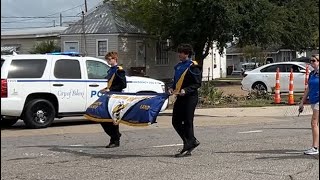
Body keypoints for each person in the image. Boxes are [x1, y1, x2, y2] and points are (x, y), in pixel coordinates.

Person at [168, 43, 202, 157]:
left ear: (186, 54)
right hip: (180, 97)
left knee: (187, 121)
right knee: (175, 121)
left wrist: (186, 90)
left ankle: (188, 145)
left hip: (190, 97)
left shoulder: (193, 66)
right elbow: (175, 81)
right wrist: (171, 88)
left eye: (181, 52)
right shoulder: (178, 66)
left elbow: (197, 83)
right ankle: (191, 141)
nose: (179, 54)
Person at [100, 51, 127, 148]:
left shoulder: (119, 70)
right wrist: (107, 89)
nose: (108, 61)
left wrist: (110, 89)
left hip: (116, 97)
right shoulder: (111, 70)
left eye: (109, 59)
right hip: (110, 96)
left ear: (115, 59)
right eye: (107, 59)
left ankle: (115, 140)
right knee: (103, 118)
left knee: (114, 119)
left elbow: (123, 85)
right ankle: (115, 136)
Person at [299, 54, 319, 155]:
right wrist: (302, 101)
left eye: (314, 61)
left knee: (314, 123)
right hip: (313, 100)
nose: (312, 63)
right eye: (311, 61)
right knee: (316, 124)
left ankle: (314, 147)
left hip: (318, 101)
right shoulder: (312, 74)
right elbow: (308, 88)